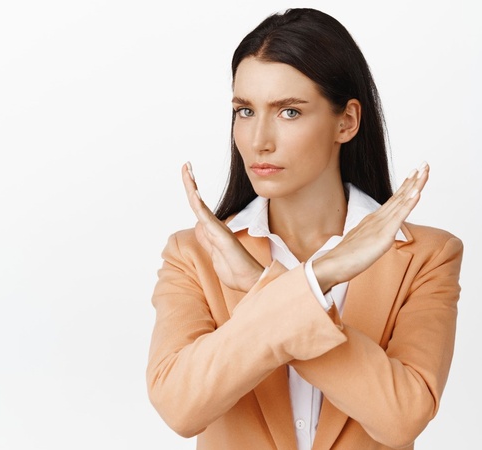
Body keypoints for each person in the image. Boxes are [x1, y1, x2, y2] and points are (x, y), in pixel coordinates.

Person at [146, 8, 463, 450]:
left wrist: (260, 284)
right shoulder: (193, 254)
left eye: (289, 112)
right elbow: (179, 407)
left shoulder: (427, 255)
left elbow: (402, 417)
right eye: (244, 111)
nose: (259, 141)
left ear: (346, 121)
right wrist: (319, 279)